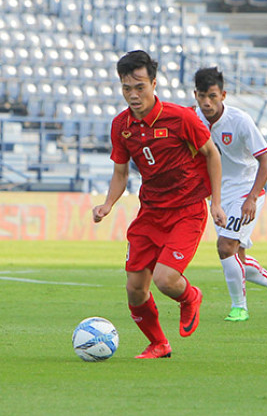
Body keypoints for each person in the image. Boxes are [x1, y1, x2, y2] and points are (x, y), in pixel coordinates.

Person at [92, 50, 226, 359]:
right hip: (150, 212)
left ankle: (190, 296)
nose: (133, 94)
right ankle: (158, 344)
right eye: (127, 88)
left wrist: (215, 203)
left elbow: (212, 155)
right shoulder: (121, 126)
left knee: (166, 280)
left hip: (187, 210)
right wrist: (108, 204)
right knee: (135, 288)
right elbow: (120, 172)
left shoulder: (181, 118)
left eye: (139, 86)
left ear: (154, 83)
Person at [193, 67, 267, 322]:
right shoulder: (193, 119)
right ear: (195, 95)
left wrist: (252, 197)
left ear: (223, 95)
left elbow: (265, 161)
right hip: (218, 194)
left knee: (225, 247)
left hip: (245, 191)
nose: (207, 102)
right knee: (237, 259)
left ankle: (240, 307)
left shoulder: (240, 120)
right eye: (202, 96)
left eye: (212, 96)